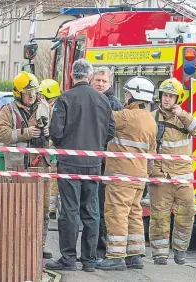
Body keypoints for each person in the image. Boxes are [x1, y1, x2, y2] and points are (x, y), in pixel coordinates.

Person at [45, 59, 115, 272]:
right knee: (91, 211)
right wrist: (96, 144)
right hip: (94, 162)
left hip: (69, 162)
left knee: (69, 211)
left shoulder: (65, 98)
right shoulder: (103, 100)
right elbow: (111, 130)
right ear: (90, 76)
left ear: (72, 75)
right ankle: (89, 260)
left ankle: (68, 258)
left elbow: (55, 131)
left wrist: (64, 144)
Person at [97, 76, 157, 271]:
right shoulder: (150, 120)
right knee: (133, 214)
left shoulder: (125, 116)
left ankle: (115, 256)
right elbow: (152, 152)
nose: (125, 97)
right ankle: (135, 255)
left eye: (128, 93)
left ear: (134, 96)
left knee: (117, 213)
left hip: (121, 174)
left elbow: (102, 116)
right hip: (139, 176)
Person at [0, 71, 53, 259]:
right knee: (17, 207)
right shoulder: (8, 110)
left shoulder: (45, 106)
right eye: (28, 93)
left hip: (41, 164)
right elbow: (2, 134)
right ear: (18, 93)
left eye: (34, 92)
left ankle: (39, 245)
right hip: (18, 166)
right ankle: (15, 244)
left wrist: (47, 134)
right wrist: (25, 133)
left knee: (43, 207)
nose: (32, 96)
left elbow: (55, 133)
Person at [150, 78, 196, 265]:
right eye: (164, 95)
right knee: (159, 216)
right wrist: (152, 173)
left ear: (177, 99)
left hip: (182, 177)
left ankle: (180, 251)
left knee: (187, 212)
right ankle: (159, 254)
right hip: (160, 175)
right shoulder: (151, 118)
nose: (167, 99)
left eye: (171, 96)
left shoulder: (184, 118)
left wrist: (183, 114)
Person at [90, 67, 122, 260]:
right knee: (90, 208)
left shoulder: (114, 105)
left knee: (101, 208)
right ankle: (92, 250)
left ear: (110, 83)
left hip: (106, 164)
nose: (101, 84)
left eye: (104, 81)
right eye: (98, 80)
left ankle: (100, 250)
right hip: (92, 162)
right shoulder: (90, 99)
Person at [39, 79, 62, 219]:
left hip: (53, 147)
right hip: (55, 147)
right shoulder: (59, 104)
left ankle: (51, 209)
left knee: (52, 177)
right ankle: (51, 207)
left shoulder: (51, 107)